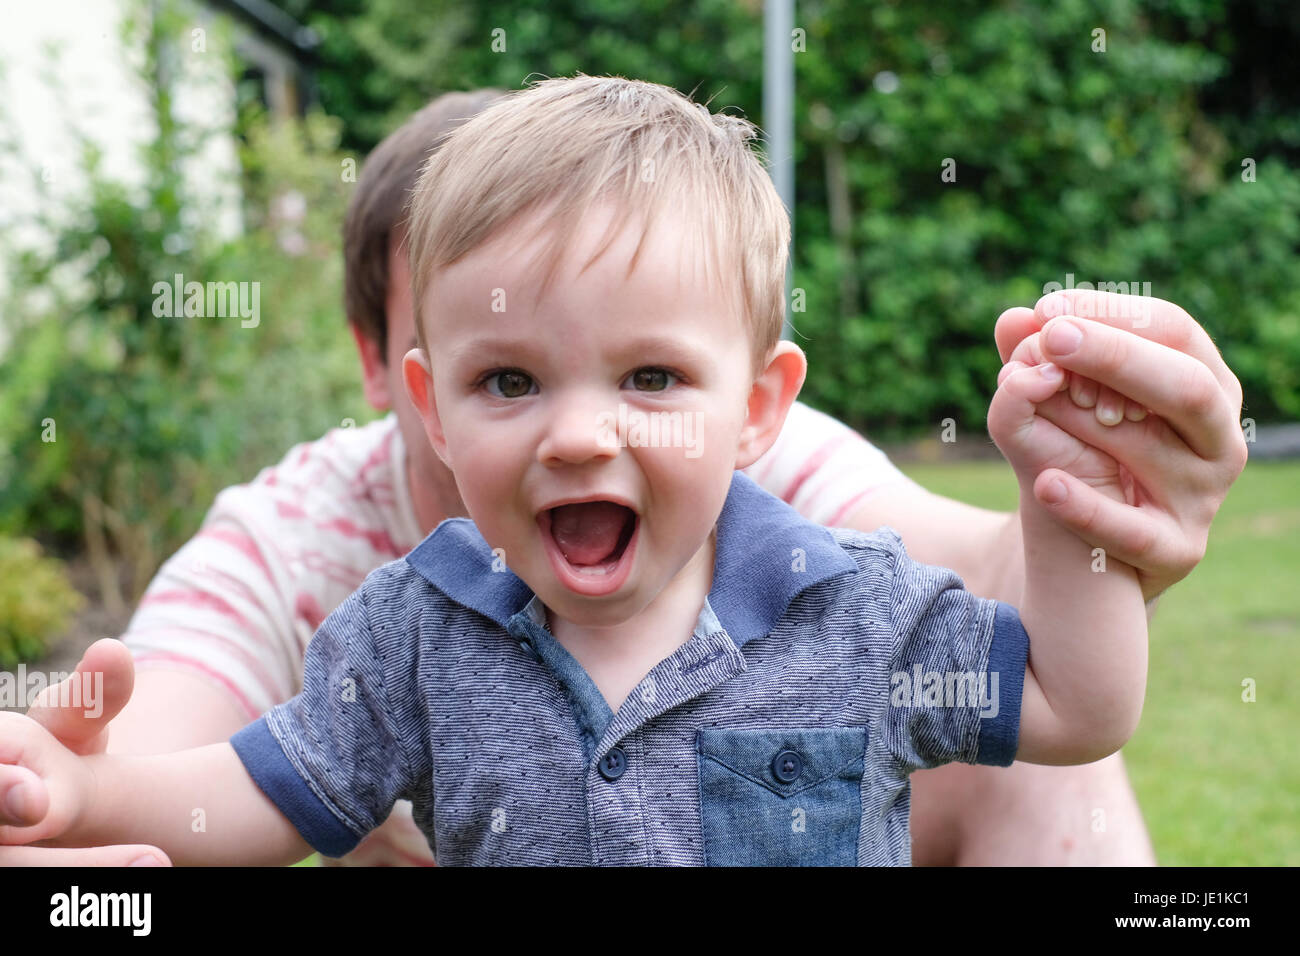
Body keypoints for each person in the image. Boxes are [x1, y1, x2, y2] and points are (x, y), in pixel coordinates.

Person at [2, 80, 1247, 866]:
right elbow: (246, 794)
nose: (580, 435)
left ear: (758, 405)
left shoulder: (849, 605)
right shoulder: (410, 641)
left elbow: (1078, 710)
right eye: (511, 381)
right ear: (425, 401)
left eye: (649, 378)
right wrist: (85, 789)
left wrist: (1069, 498)